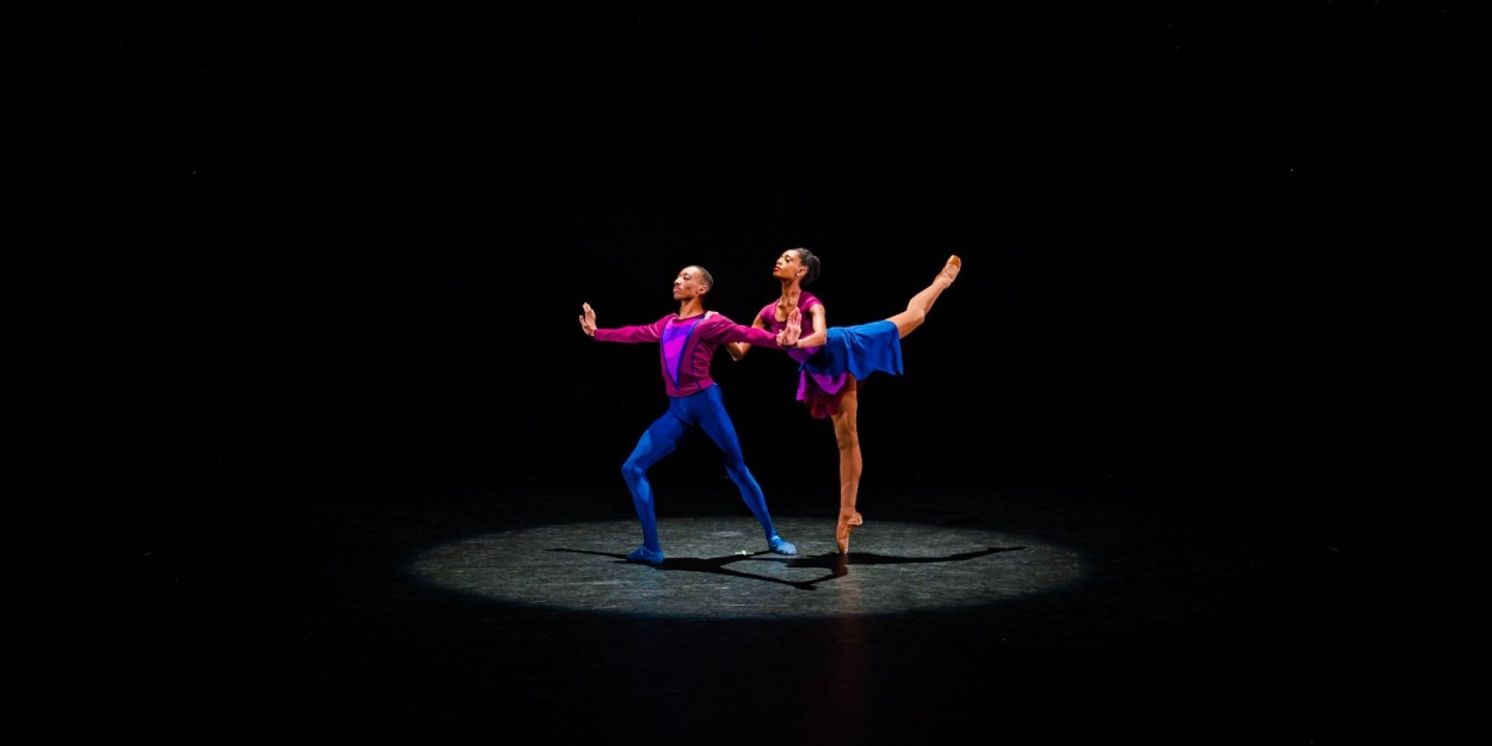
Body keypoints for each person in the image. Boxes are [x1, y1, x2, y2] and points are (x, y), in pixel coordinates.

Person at [727, 249, 961, 553]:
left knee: (915, 316)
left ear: (800, 271)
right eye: (781, 257)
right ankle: (847, 514)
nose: (780, 261)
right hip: (817, 371)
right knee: (844, 439)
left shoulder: (811, 304)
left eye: (788, 259)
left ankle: (941, 281)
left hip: (842, 350)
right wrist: (719, 332)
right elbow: (739, 352)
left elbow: (821, 337)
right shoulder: (767, 314)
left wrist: (792, 342)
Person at [579, 265, 801, 566]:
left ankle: (773, 536)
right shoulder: (667, 323)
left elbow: (744, 332)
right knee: (631, 468)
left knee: (737, 470)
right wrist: (597, 333)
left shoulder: (710, 322)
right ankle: (651, 549)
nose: (677, 280)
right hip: (677, 410)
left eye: (686, 278)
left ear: (701, 289)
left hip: (706, 404)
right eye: (677, 276)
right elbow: (635, 334)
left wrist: (778, 340)